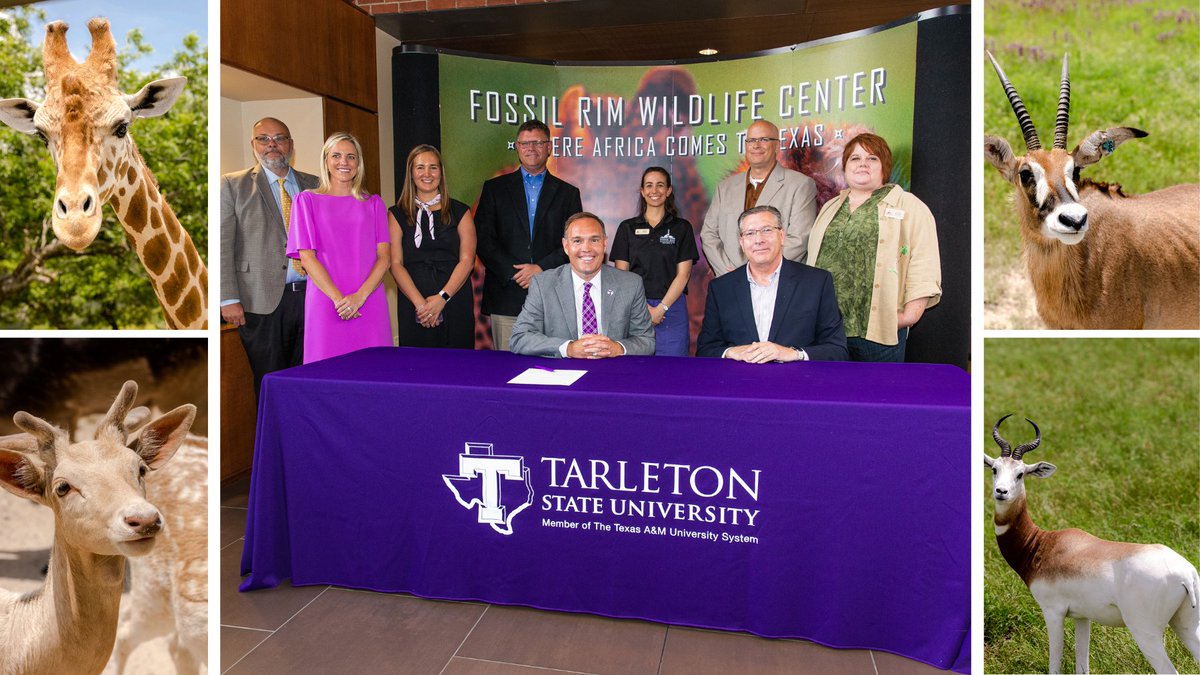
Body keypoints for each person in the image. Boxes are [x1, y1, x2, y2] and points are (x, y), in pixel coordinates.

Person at [807, 133, 941, 362]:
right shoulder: (830, 207)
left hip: (878, 334)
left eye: (872, 158)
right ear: (845, 166)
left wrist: (908, 316)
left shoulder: (910, 206)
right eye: (855, 158)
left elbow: (923, 261)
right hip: (827, 332)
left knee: (878, 395)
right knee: (829, 394)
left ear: (884, 166)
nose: (863, 164)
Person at [219, 117, 319, 395]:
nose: (272, 145)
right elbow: (222, 242)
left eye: (280, 138)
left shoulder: (315, 184)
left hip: (312, 298)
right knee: (270, 382)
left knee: (309, 379)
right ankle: (272, 438)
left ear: (291, 144)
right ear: (253, 145)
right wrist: (228, 298)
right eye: (264, 138)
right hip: (260, 302)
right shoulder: (232, 184)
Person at [475, 119, 583, 350]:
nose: (530, 148)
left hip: (553, 296)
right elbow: (483, 239)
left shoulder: (568, 194)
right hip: (507, 294)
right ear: (516, 147)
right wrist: (515, 273)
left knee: (554, 366)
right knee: (507, 369)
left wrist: (540, 269)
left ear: (549, 147)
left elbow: (575, 242)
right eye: (524, 143)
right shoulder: (494, 189)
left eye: (537, 143)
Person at [286, 132, 391, 363]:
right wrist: (339, 300)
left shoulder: (374, 203)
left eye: (351, 157)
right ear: (326, 160)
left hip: (368, 300)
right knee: (325, 370)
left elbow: (384, 258)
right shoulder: (306, 201)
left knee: (375, 369)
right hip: (326, 301)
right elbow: (307, 257)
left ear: (358, 163)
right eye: (336, 155)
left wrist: (359, 298)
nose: (344, 162)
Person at [697, 205, 846, 362]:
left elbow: (837, 349)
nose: (759, 239)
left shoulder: (816, 282)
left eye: (767, 230)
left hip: (797, 381)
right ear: (741, 242)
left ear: (782, 235)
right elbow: (706, 349)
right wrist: (730, 352)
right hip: (740, 382)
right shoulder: (721, 288)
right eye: (750, 233)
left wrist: (794, 354)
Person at [510, 213, 654, 358]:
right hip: (563, 373)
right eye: (577, 241)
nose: (586, 248)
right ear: (566, 246)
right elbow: (520, 337)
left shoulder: (631, 284)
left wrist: (617, 348)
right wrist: (569, 349)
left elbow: (646, 341)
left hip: (613, 373)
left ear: (604, 244)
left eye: (594, 240)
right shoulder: (542, 284)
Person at [388, 145, 477, 348]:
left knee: (458, 368)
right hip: (413, 303)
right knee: (417, 370)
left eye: (433, 167)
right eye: (420, 167)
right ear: (411, 173)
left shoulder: (460, 211)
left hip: (454, 300)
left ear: (441, 173)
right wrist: (421, 305)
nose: (427, 174)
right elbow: (395, 263)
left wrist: (441, 299)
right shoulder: (396, 214)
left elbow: (467, 260)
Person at [701, 119, 817, 275]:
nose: (756, 145)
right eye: (751, 140)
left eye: (764, 139)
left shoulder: (800, 185)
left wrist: (758, 273)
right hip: (730, 280)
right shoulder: (725, 187)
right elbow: (709, 235)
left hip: (777, 282)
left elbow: (799, 239)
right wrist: (729, 274)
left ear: (777, 145)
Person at [610, 167, 698, 356]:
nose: (654, 191)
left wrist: (660, 309)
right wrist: (644, 308)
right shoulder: (627, 228)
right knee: (635, 373)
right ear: (642, 191)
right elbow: (621, 275)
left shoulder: (681, 228)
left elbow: (684, 275)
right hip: (634, 308)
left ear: (668, 191)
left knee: (672, 373)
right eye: (649, 186)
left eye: (660, 185)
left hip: (671, 308)